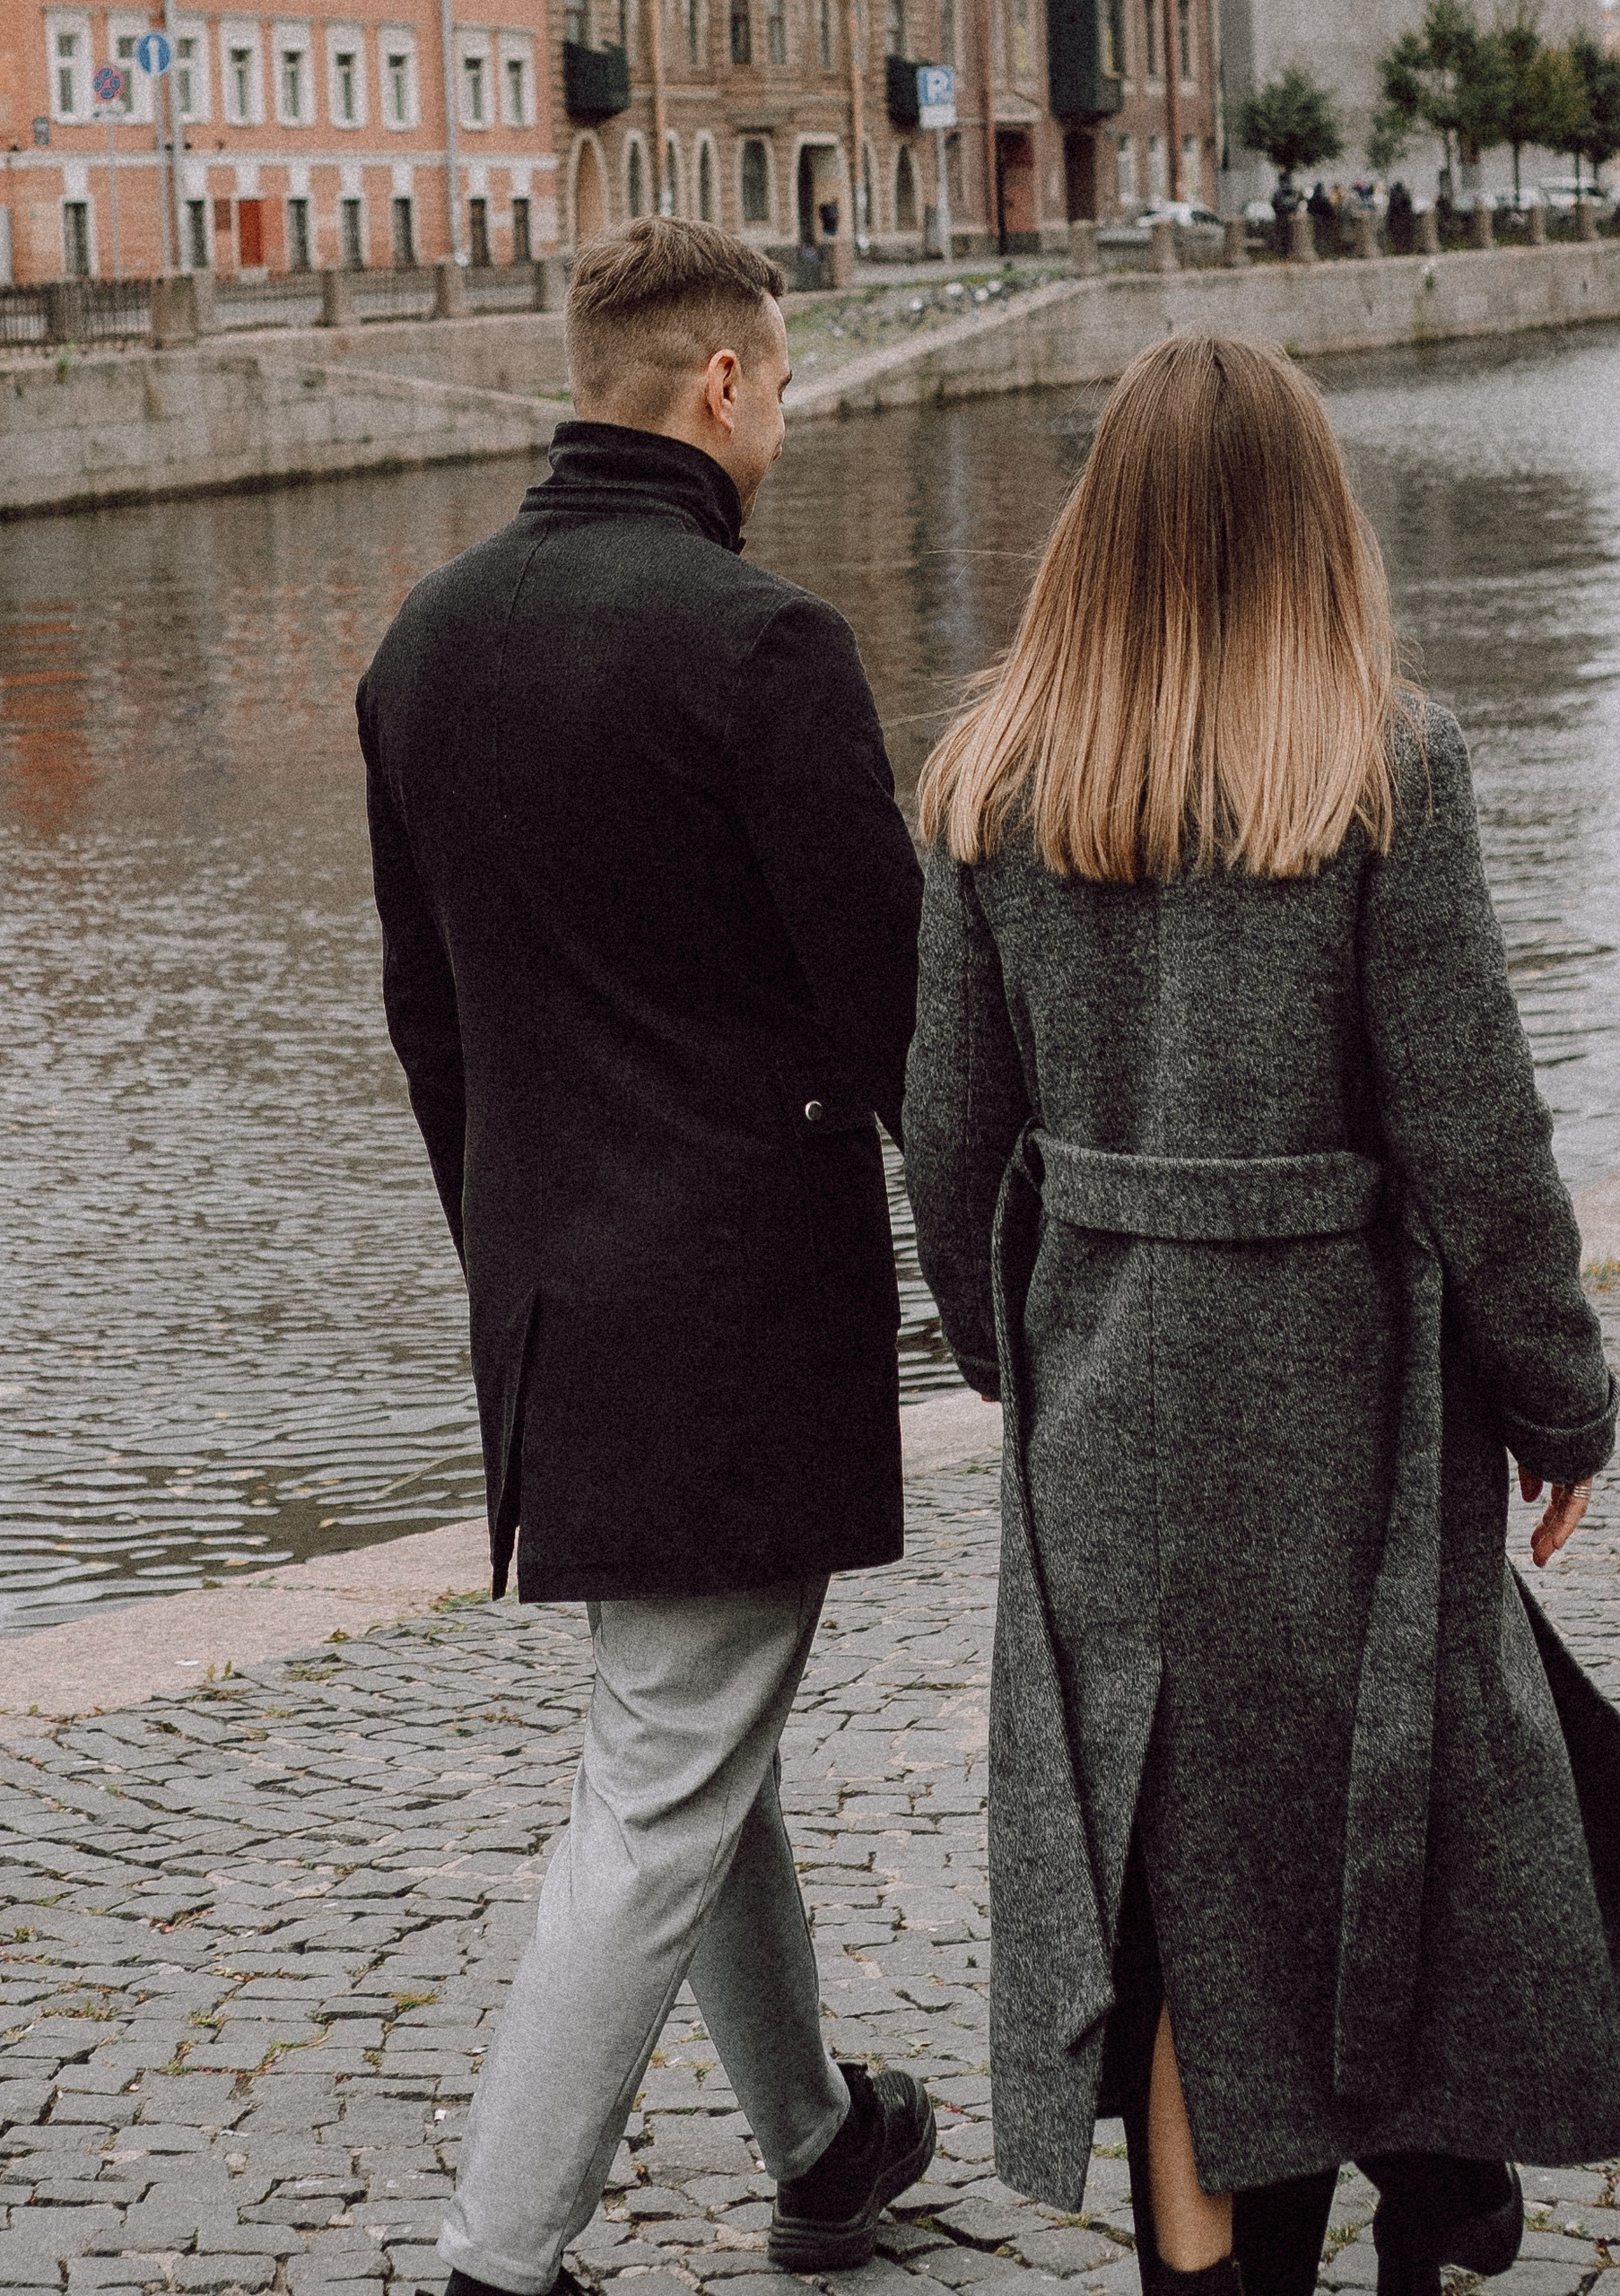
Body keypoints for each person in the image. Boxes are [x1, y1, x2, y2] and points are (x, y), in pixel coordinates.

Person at [901, 329, 1620, 2296]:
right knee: (1396, 1783)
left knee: (1182, 1876)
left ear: (1094, 526)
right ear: (1308, 520)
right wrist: (1558, 1399)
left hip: (1107, 1416)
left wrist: (1030, 1359)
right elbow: (1472, 1124)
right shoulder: (1377, 764)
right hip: (1343, 1396)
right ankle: (1426, 2194)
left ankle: (1253, 2263)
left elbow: (943, 1139)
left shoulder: (988, 775)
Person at [358, 219, 935, 2296]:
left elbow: (431, 1023)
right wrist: (993, 1276)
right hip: (727, 1308)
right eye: (777, 383)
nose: (778, 416)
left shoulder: (421, 639)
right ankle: (496, 2255)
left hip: (549, 1302)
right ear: (717, 382)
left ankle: (817, 2134)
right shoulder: (754, 642)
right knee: (664, 1766)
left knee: (691, 1737)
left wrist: (513, 1259)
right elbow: (889, 1019)